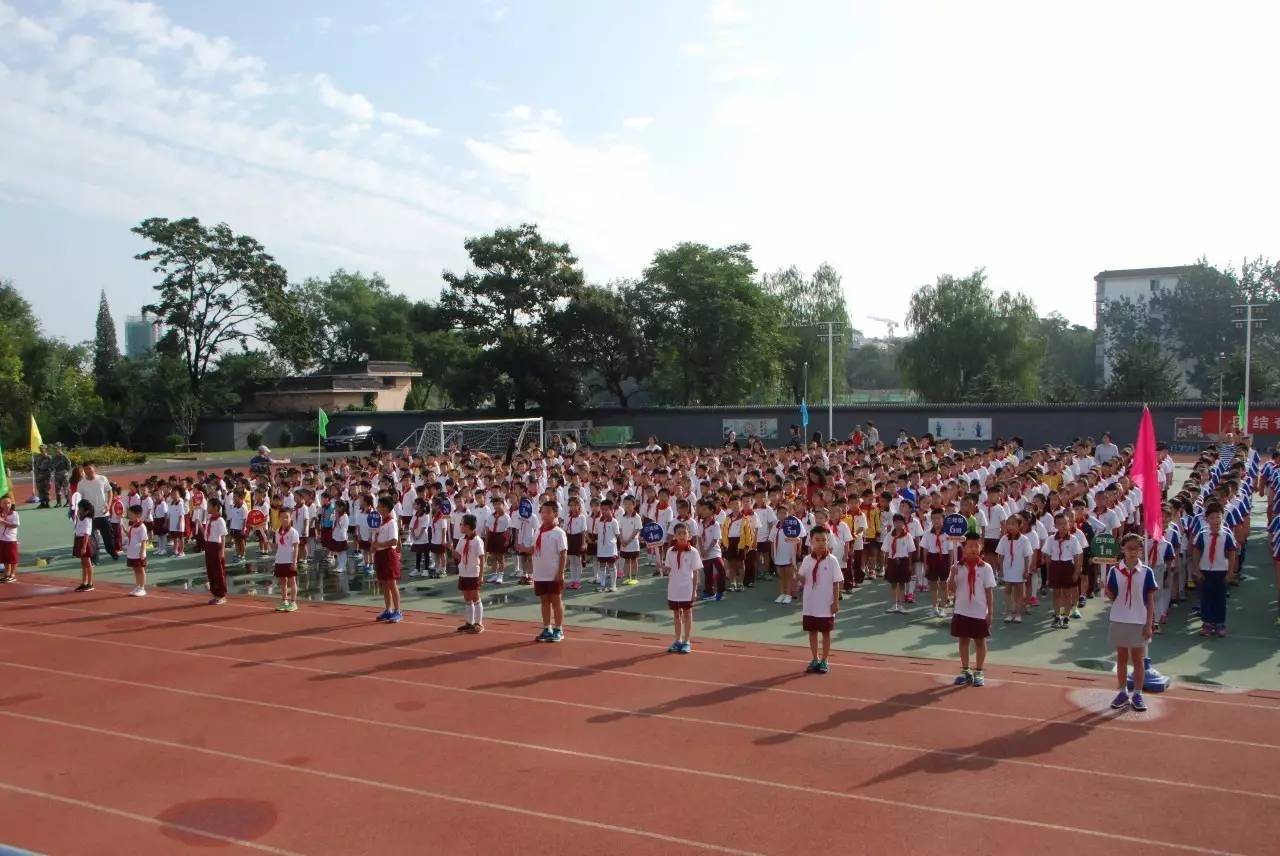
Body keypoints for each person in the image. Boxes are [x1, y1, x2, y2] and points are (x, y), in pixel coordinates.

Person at [1104, 534, 1157, 712]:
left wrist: (1149, 624)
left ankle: (1138, 694)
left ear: (1141, 551)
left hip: (1139, 619)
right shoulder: (1114, 571)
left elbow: (1150, 600)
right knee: (1121, 658)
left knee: (1138, 659)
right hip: (1119, 617)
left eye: (1136, 548)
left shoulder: (1146, 572)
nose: (1132, 552)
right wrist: (1106, 589)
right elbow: (1113, 597)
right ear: (1123, 549)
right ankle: (1122, 691)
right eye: (1129, 548)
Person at [948, 533, 997, 687]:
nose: (973, 549)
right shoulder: (957, 567)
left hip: (979, 611)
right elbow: (951, 590)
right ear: (964, 548)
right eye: (970, 546)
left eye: (976, 545)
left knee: (980, 642)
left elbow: (989, 592)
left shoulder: (986, 568)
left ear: (981, 547)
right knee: (963, 640)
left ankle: (979, 671)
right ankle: (965, 669)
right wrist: (952, 576)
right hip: (961, 610)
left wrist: (990, 613)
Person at [797, 526, 841, 674]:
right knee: (812, 631)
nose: (821, 543)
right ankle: (815, 658)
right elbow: (803, 580)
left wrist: (836, 602)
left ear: (828, 541)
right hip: (810, 603)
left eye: (824, 540)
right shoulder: (807, 560)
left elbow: (836, 582)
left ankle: (825, 660)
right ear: (811, 541)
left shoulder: (832, 560)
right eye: (817, 540)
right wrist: (797, 577)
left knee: (826, 632)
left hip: (826, 604)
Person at [1190, 501, 1237, 637]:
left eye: (1218, 517)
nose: (1215, 520)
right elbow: (1197, 551)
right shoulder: (1203, 534)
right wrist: (1196, 569)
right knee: (1206, 597)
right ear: (1207, 519)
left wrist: (1230, 572)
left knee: (1220, 598)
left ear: (1222, 517)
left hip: (1221, 570)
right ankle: (1207, 623)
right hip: (1205, 570)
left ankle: (1220, 623)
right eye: (1212, 517)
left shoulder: (1227, 534)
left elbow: (1232, 552)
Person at [531, 500, 568, 642]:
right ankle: (547, 628)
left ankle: (559, 629)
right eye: (542, 512)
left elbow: (563, 553)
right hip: (540, 572)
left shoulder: (559, 533)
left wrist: (561, 572)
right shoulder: (538, 531)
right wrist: (524, 548)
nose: (544, 515)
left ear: (555, 514)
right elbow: (535, 550)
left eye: (548, 512)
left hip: (553, 573)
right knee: (544, 601)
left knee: (556, 600)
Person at [665, 522, 700, 653]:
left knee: (687, 613)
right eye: (679, 533)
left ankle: (687, 641)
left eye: (684, 533)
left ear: (689, 535)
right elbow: (668, 569)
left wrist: (695, 590)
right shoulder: (670, 551)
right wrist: (661, 566)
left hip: (687, 587)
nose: (681, 536)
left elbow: (696, 572)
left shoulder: (693, 552)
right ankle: (678, 640)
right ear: (674, 536)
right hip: (673, 587)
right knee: (676, 614)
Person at [78, 462, 118, 560]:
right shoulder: (81, 483)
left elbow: (109, 491)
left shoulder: (102, 479)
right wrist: (80, 511)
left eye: (89, 468)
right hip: (89, 515)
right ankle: (95, 558)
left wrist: (108, 505)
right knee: (92, 539)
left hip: (103, 513)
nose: (88, 471)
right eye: (85, 469)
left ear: (94, 468)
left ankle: (112, 552)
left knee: (108, 536)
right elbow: (79, 498)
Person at [372, 496, 403, 623]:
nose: (378, 508)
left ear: (386, 508)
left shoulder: (392, 523)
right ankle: (388, 609)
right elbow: (375, 539)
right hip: (379, 555)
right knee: (383, 583)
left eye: (379, 506)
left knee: (391, 583)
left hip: (389, 554)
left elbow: (394, 541)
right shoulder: (379, 523)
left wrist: (379, 545)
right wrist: (373, 545)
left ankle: (397, 611)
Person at [454, 513, 486, 633]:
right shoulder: (462, 540)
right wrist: (450, 548)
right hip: (464, 572)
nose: (460, 526)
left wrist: (481, 575)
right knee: (467, 598)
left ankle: (479, 623)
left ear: (467, 526)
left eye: (461, 524)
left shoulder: (477, 541)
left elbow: (482, 558)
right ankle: (469, 622)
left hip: (473, 573)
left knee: (475, 597)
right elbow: (458, 555)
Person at [273, 508, 301, 613]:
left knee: (292, 581)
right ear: (279, 518)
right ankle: (284, 601)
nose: (284, 519)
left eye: (287, 517)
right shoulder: (277, 532)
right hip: (280, 560)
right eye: (282, 517)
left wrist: (294, 562)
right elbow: (277, 546)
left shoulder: (294, 532)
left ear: (291, 518)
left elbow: (296, 548)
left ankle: (293, 602)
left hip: (290, 561)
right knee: (282, 582)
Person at [202, 498, 228, 605]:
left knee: (218, 572)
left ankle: (221, 595)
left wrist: (222, 551)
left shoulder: (220, 520)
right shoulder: (209, 519)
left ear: (215, 507)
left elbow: (223, 537)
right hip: (209, 546)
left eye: (209, 505)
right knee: (211, 571)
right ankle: (215, 594)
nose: (207, 508)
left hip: (216, 547)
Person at [72, 499, 96, 592]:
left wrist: (84, 547)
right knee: (83, 563)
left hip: (84, 541)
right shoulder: (81, 518)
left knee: (87, 563)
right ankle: (84, 582)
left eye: (80, 508)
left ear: (86, 510)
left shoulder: (87, 520)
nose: (79, 510)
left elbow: (86, 534)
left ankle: (90, 583)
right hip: (79, 539)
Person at [0, 496, 19, 583]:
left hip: (11, 539)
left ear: (11, 504)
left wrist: (3, 521)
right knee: (4, 558)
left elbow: (15, 525)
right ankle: (6, 574)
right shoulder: (0, 513)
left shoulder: (14, 514)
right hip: (1, 539)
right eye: (4, 503)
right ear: (1, 504)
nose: (7, 505)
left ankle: (12, 574)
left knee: (12, 558)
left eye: (8, 503)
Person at [33, 444, 52, 508]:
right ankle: (42, 503)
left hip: (46, 475)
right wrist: (37, 474)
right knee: (40, 489)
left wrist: (48, 475)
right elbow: (35, 466)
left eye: (42, 448)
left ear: (45, 449)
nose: (41, 450)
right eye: (40, 449)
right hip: (39, 475)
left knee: (46, 489)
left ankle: (47, 502)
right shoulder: (37, 457)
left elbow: (51, 467)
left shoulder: (49, 457)